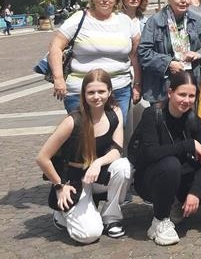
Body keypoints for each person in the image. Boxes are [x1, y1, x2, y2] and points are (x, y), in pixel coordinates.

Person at [36, 69, 132, 243]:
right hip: (73, 180)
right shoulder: (72, 121)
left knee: (124, 166)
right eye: (91, 92)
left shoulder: (115, 112)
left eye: (101, 91)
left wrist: (98, 163)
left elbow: (117, 149)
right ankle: (61, 214)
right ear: (84, 94)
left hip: (96, 174)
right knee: (89, 235)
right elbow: (42, 158)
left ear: (109, 91)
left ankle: (111, 217)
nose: (97, 97)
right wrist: (59, 185)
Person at [131, 71, 201, 246]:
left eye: (191, 96)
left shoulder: (194, 120)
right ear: (170, 92)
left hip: (180, 177)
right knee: (171, 164)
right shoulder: (153, 114)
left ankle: (176, 201)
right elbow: (151, 153)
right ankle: (160, 220)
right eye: (182, 94)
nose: (186, 100)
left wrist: (195, 192)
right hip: (151, 177)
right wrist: (188, 144)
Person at [49, 0, 141, 121]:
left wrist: (137, 84)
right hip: (81, 89)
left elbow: (135, 55)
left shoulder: (125, 21)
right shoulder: (79, 18)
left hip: (119, 88)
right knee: (83, 131)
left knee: (116, 129)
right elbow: (56, 47)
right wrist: (58, 79)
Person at [139, 0, 201, 106]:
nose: (183, 0)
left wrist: (198, 54)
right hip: (162, 85)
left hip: (189, 82)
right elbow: (143, 52)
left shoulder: (196, 20)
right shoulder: (154, 21)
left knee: (188, 116)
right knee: (162, 117)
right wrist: (168, 64)